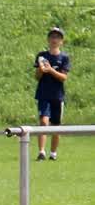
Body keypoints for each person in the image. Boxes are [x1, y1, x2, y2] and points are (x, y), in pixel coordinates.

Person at [34, 27, 70, 161]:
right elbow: (37, 77)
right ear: (48, 40)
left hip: (57, 96)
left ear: (61, 41)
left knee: (56, 125)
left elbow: (63, 77)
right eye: (52, 37)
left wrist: (51, 70)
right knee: (43, 121)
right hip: (43, 94)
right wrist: (41, 70)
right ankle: (41, 152)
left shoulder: (64, 58)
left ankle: (53, 153)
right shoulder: (42, 56)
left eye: (57, 37)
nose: (54, 40)